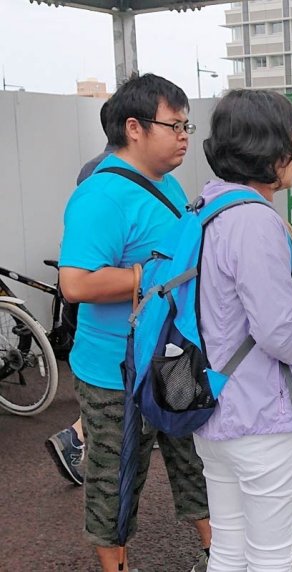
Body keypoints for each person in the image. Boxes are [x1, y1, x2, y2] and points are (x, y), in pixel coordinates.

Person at [59, 73, 211, 572]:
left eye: (187, 124)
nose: (185, 135)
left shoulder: (166, 183)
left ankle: (223, 555)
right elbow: (76, 284)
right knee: (117, 477)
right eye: (175, 124)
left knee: (195, 461)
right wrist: (150, 276)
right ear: (135, 128)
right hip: (114, 372)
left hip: (170, 358)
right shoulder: (100, 196)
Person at [192, 89, 292, 571]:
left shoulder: (203, 211)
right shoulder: (255, 221)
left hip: (213, 412)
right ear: (271, 149)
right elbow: (278, 333)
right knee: (272, 559)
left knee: (230, 548)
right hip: (264, 417)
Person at [46, 98, 119, 487]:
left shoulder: (90, 168)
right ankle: (74, 437)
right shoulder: (110, 174)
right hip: (107, 302)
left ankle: (75, 436)